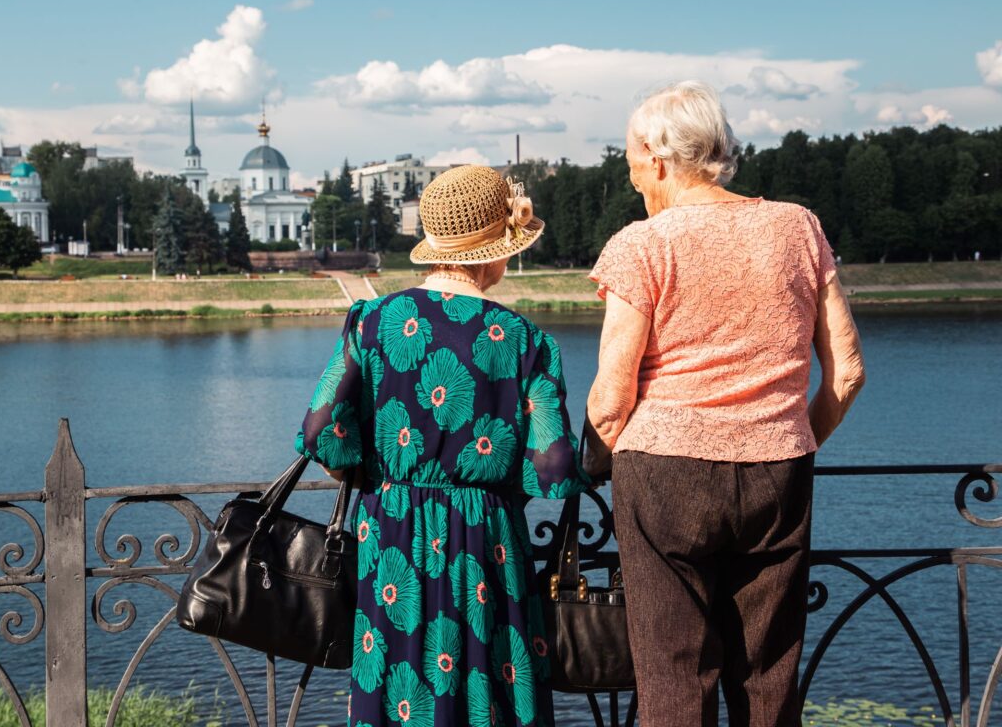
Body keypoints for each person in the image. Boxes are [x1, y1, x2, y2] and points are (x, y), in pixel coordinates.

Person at [584, 81, 866, 726]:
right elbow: (846, 373)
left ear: (656, 156)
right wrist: (786, 437)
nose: (630, 177)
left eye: (630, 160)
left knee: (673, 675)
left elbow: (609, 401)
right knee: (768, 676)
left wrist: (596, 461)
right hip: (779, 470)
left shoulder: (641, 245)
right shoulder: (797, 226)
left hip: (664, 471)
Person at [297, 165, 590, 726]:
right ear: (492, 251)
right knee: (490, 688)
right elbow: (553, 467)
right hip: (487, 539)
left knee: (399, 685)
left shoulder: (371, 322)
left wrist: (375, 475)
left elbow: (320, 431)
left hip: (393, 535)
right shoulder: (526, 340)